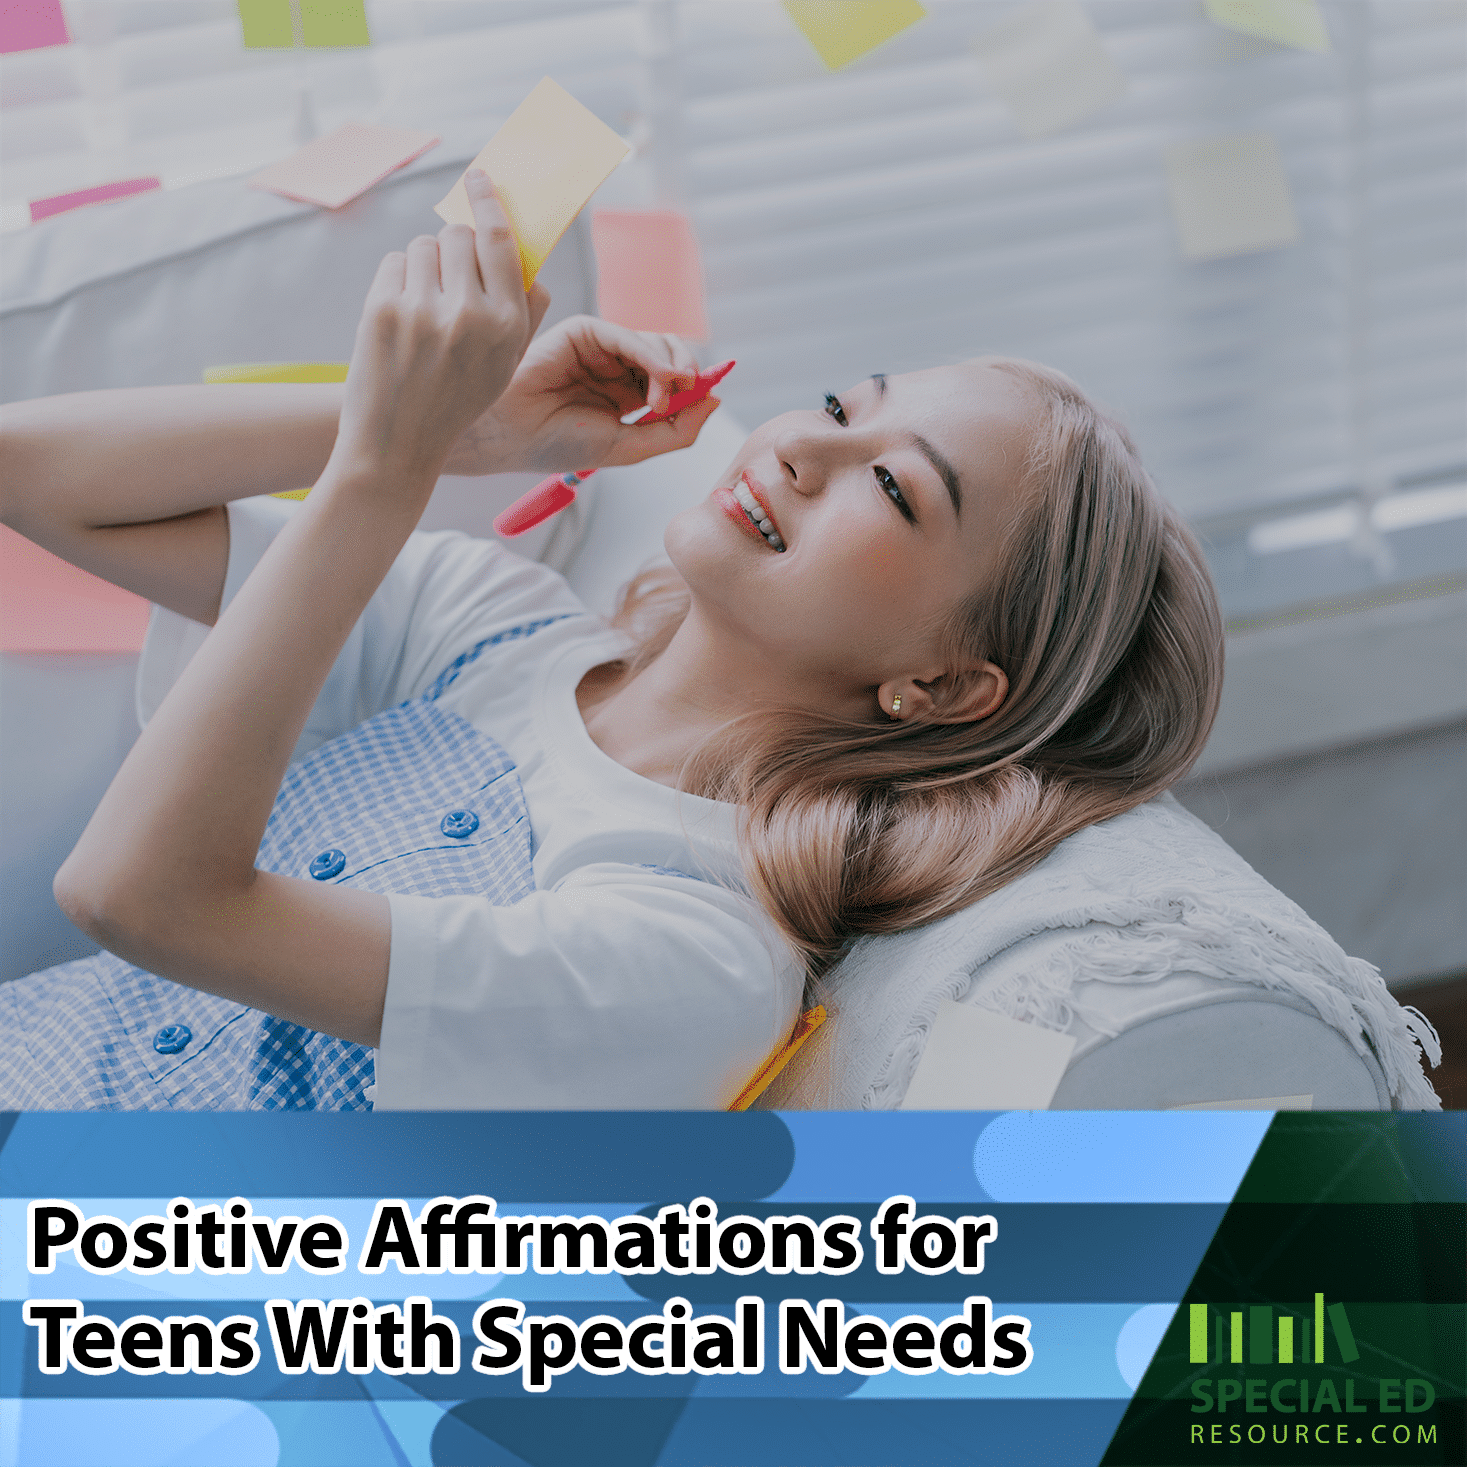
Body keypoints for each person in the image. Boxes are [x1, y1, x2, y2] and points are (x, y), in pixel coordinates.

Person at [0, 170, 1225, 1111]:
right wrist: (465, 438)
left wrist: (388, 465)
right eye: (845, 404)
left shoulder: (688, 944)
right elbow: (38, 475)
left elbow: (136, 897)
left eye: (897, 489)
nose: (802, 444)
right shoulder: (491, 631)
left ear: (947, 683)